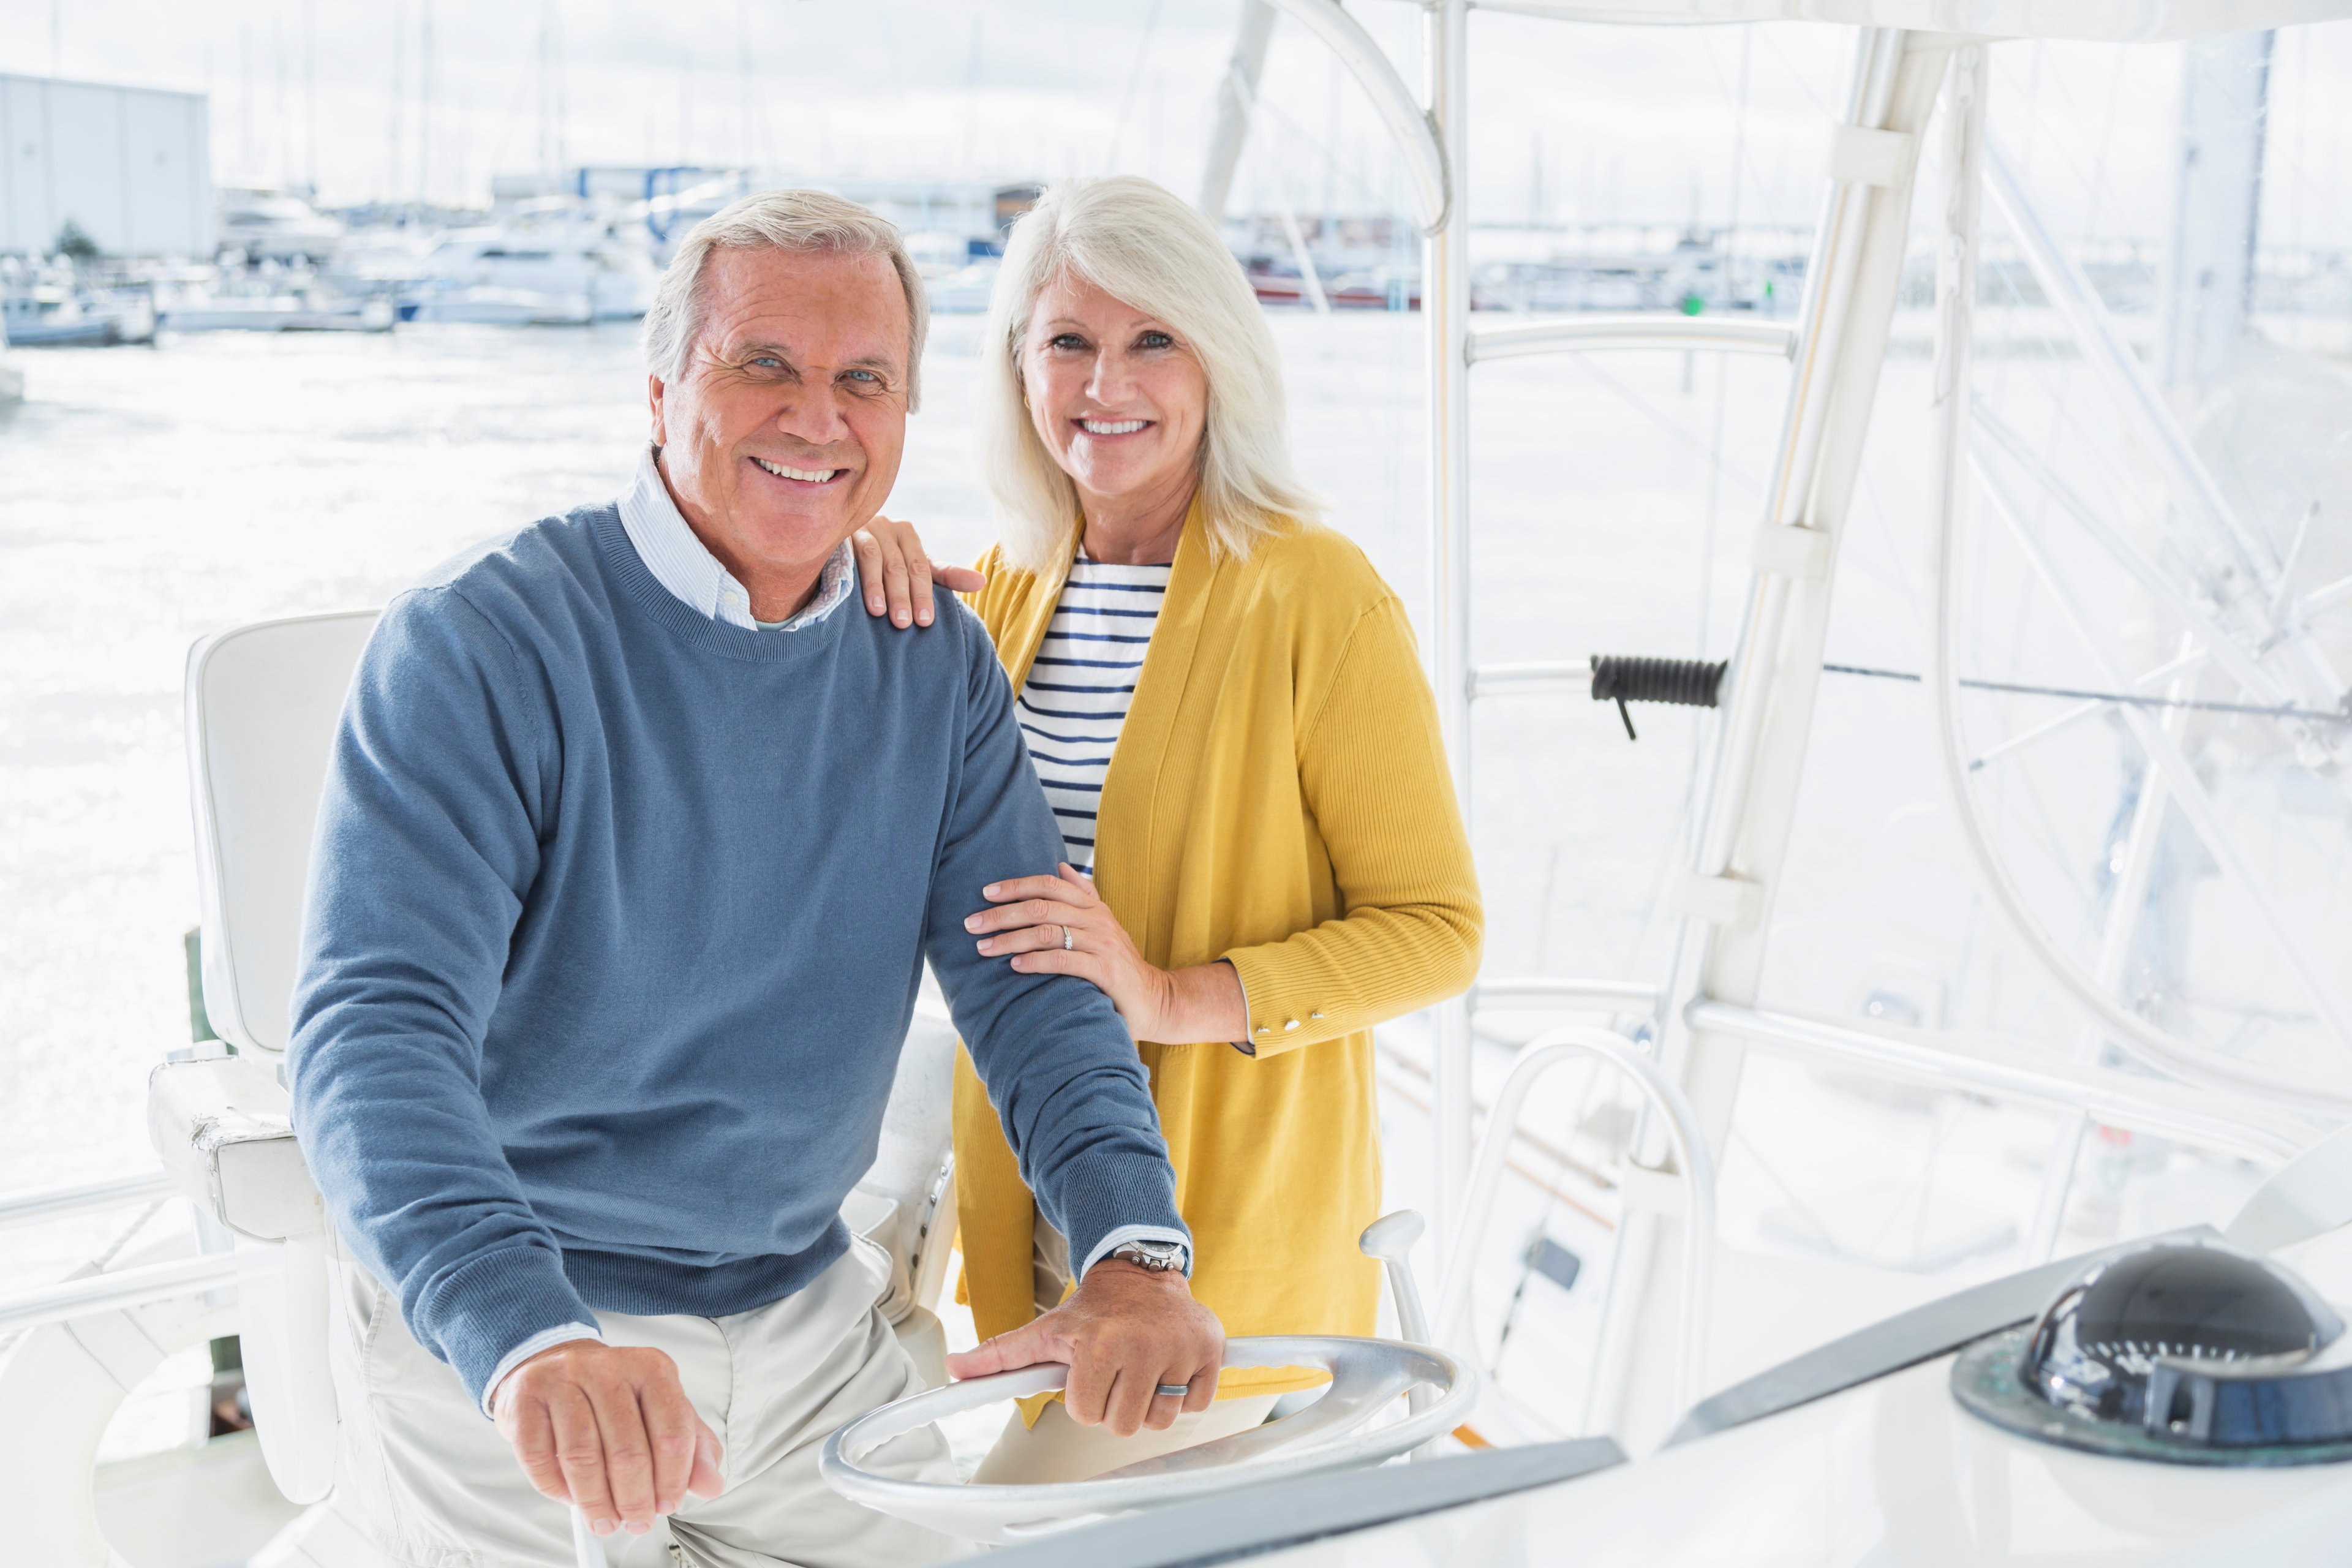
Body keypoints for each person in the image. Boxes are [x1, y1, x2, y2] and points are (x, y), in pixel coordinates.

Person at [288, 189, 1223, 1568]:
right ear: (660, 389)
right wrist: (523, 1334)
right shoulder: (481, 643)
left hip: (802, 1318)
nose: (817, 418)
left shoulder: (935, 664)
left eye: (865, 380)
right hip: (521, 1325)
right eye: (764, 364)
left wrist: (1134, 1248)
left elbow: (1034, 980)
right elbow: (373, 1033)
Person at [853, 175, 1482, 1483]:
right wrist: (843, 601)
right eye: (1069, 341)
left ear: (1218, 359)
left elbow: (1436, 933)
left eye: (1154, 339)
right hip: (1035, 1203)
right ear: (1019, 366)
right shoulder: (1010, 584)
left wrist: (1165, 993)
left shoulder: (1315, 593)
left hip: (1223, 1239)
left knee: (993, 1533)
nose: (1107, 384)